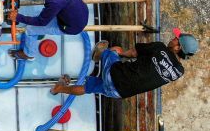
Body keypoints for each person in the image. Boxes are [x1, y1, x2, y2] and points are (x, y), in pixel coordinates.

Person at [52, 31, 199, 98]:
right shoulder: (179, 72)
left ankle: (99, 55)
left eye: (175, 39)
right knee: (88, 88)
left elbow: (134, 53)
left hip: (113, 75)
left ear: (178, 47)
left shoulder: (160, 48)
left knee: (114, 50)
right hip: (118, 93)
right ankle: (59, 88)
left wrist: (120, 53)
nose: (173, 38)